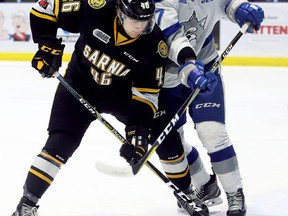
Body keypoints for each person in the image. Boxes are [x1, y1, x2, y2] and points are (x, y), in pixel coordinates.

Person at [11, 0, 207, 215]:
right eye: (134, 20)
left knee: (165, 137)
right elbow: (44, 8)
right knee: (60, 143)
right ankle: (27, 205)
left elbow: (147, 94)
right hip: (80, 85)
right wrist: (46, 46)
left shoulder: (154, 45)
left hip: (122, 96)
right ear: (120, 12)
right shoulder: (94, 8)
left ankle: (185, 193)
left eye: (145, 21)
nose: (140, 27)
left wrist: (138, 132)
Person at [152, 0, 264, 215]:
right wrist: (189, 66)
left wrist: (240, 9)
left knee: (212, 132)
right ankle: (205, 185)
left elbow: (228, 4)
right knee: (173, 143)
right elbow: (173, 37)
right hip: (166, 77)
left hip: (206, 68)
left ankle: (235, 192)